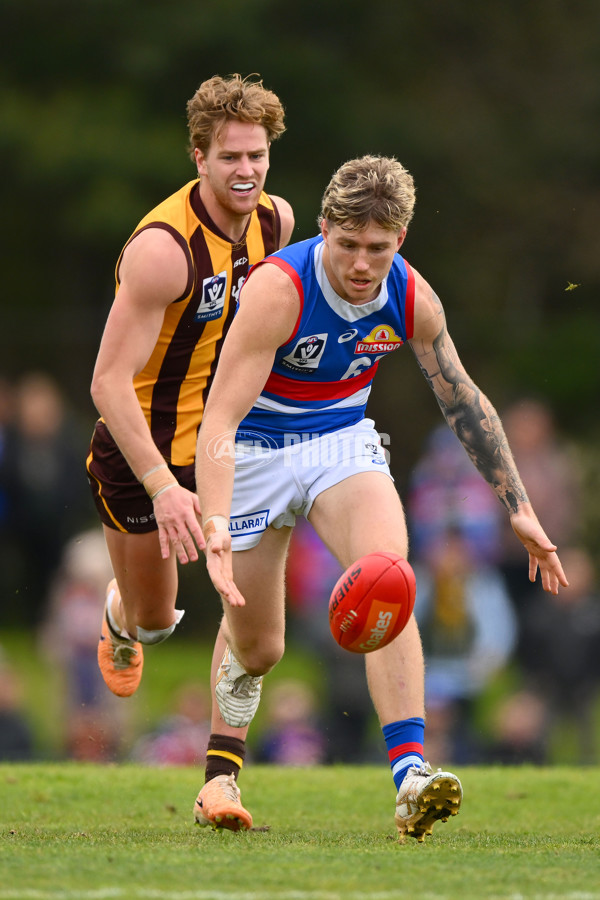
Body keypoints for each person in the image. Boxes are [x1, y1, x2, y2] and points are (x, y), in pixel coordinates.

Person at [194, 155, 568, 841]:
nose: (363, 264)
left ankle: (410, 777)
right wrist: (214, 519)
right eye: (348, 246)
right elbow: (217, 419)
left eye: (379, 247)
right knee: (260, 645)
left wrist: (516, 503)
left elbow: (463, 399)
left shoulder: (412, 296)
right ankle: (220, 774)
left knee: (386, 575)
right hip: (253, 448)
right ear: (324, 228)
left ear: (401, 239)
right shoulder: (280, 290)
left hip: (340, 440)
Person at [86, 75, 294, 700]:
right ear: (199, 157)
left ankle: (224, 757)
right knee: (155, 621)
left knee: (259, 616)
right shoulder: (164, 251)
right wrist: (162, 486)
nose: (246, 170)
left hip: (225, 439)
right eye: (229, 156)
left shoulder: (276, 222)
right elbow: (106, 381)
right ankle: (119, 616)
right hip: (142, 446)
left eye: (256, 155)